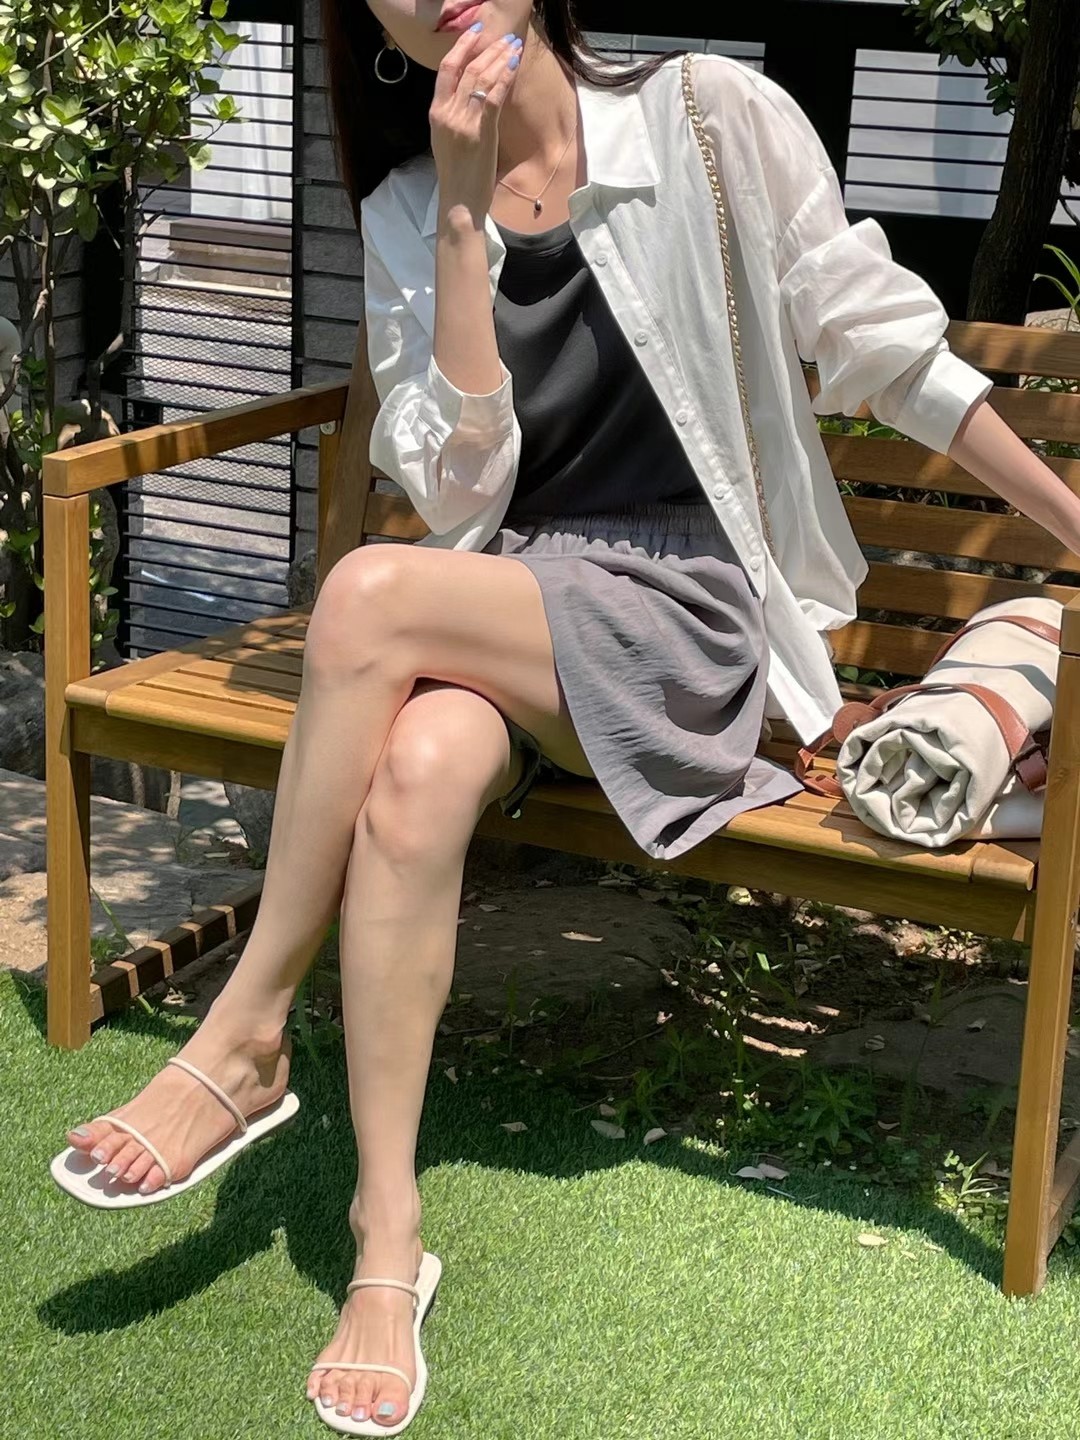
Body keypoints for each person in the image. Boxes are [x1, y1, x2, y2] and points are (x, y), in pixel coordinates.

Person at [60, 2, 1080, 1432]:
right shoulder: (408, 208)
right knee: (418, 768)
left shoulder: (708, 115)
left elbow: (882, 349)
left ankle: (248, 1027)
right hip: (519, 602)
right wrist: (461, 219)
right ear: (376, 33)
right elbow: (463, 495)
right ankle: (387, 1240)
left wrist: (1073, 522)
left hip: (696, 608)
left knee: (365, 595)